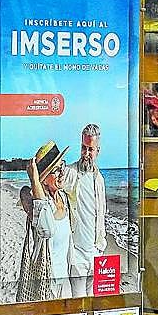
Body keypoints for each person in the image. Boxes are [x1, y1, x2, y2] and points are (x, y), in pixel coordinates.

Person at [15, 141, 74, 302]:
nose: (62, 173)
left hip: (66, 280)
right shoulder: (37, 205)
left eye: (63, 166)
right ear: (44, 179)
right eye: (56, 170)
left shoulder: (63, 198)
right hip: (47, 282)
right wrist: (34, 178)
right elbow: (47, 229)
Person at [58, 124, 108, 298]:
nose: (86, 154)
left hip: (97, 252)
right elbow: (51, 186)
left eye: (90, 150)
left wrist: (101, 247)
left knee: (96, 303)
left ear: (97, 150)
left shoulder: (99, 179)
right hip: (77, 253)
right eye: (83, 148)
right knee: (78, 303)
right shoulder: (71, 173)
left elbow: (101, 214)